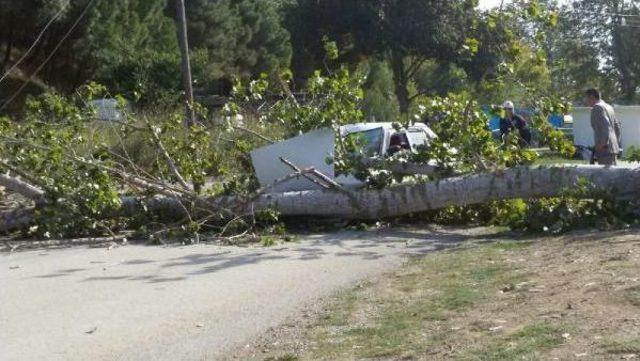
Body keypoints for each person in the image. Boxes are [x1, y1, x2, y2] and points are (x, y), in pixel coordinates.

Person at [585, 89, 620, 166]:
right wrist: (615, 142)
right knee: (613, 175)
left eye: (586, 98)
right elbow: (617, 127)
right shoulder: (609, 107)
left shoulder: (597, 108)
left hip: (604, 149)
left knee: (607, 176)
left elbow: (606, 126)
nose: (586, 101)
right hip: (612, 148)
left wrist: (602, 144)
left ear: (592, 97)